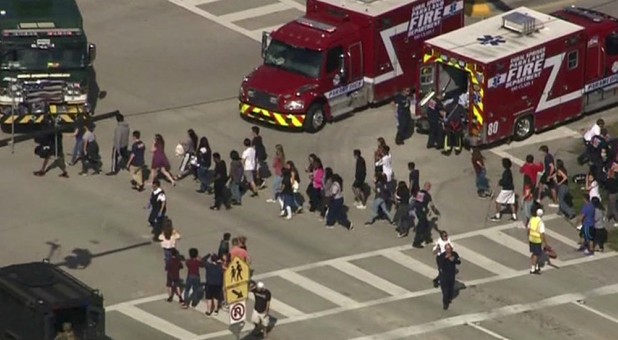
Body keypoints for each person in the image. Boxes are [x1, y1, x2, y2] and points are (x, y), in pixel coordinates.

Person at [412, 182, 440, 248]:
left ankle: (427, 239)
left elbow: (417, 202)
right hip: (421, 211)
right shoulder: (427, 195)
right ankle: (416, 242)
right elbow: (431, 205)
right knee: (421, 226)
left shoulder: (419, 193)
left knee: (426, 224)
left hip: (418, 210)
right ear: (428, 187)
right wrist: (436, 211)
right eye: (429, 187)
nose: (429, 188)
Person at [438, 243, 460, 310]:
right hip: (444, 276)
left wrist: (454, 260)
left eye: (450, 249)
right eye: (447, 249)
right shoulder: (442, 256)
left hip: (451, 275)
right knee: (445, 291)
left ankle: (449, 299)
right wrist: (445, 258)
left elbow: (459, 262)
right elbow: (440, 264)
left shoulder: (454, 254)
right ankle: (445, 304)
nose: (449, 250)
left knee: (450, 289)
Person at [528, 208, 548, 274]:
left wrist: (529, 235)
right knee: (536, 254)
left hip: (531, 239)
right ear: (542, 215)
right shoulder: (541, 222)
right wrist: (545, 243)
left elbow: (528, 229)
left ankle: (536, 266)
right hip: (537, 240)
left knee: (534, 253)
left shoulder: (532, 219)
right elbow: (542, 234)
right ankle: (533, 269)